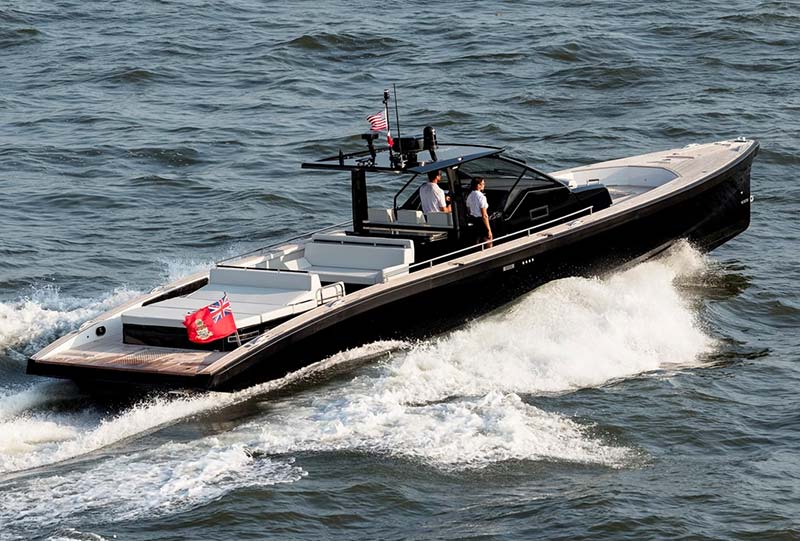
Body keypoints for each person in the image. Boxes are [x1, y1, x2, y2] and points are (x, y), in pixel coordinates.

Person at [466, 176, 493, 247]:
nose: (484, 185)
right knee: (488, 240)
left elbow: (468, 210)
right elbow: (484, 215)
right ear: (478, 185)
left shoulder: (469, 196)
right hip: (481, 221)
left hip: (474, 220)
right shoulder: (481, 197)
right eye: (483, 184)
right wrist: (489, 229)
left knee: (477, 242)